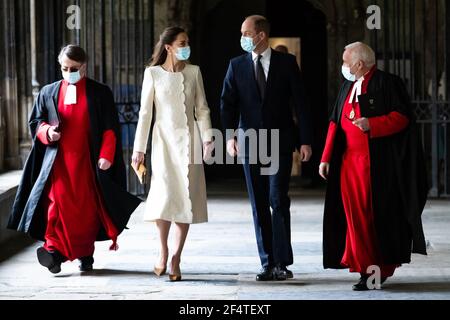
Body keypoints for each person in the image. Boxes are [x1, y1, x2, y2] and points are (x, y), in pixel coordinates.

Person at [8, 45, 141, 274]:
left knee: (85, 211)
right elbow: (36, 123)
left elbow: (110, 129)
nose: (69, 71)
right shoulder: (48, 92)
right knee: (56, 208)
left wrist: (106, 156)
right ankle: (53, 251)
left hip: (87, 163)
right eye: (64, 68)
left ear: (84, 66)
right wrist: (48, 132)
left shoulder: (100, 93)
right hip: (57, 163)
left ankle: (83, 254)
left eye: (74, 68)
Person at [320, 42, 428, 290]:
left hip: (374, 167)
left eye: (346, 62)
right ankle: (362, 266)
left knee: (371, 218)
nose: (343, 67)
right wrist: (326, 157)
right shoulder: (347, 85)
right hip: (347, 164)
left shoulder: (388, 83)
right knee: (354, 218)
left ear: (359, 64)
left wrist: (373, 124)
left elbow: (402, 118)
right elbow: (335, 122)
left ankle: (373, 270)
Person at [220, 15, 313, 281]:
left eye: (246, 33)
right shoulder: (236, 65)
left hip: (280, 141)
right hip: (249, 143)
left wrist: (305, 140)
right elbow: (227, 103)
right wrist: (229, 137)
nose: (242, 37)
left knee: (277, 199)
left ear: (260, 35)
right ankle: (267, 262)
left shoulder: (287, 63)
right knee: (258, 203)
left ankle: (282, 263)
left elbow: (301, 102)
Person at [132, 27, 214, 281]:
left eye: (187, 42)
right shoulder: (153, 74)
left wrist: (208, 138)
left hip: (190, 142)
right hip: (163, 142)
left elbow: (202, 109)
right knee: (164, 196)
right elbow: (145, 113)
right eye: (182, 42)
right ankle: (163, 250)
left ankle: (176, 257)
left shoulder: (194, 72)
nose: (186, 46)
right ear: (168, 47)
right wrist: (139, 149)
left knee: (185, 197)